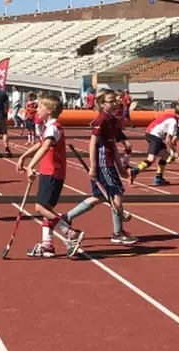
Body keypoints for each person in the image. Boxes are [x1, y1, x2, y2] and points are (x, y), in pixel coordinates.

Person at [58, 89, 137, 247]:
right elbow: (93, 143)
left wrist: (120, 167)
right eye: (111, 101)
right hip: (103, 164)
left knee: (100, 196)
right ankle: (117, 233)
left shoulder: (113, 120)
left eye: (116, 100)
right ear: (102, 104)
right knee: (117, 193)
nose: (115, 103)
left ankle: (66, 217)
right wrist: (93, 167)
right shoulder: (102, 119)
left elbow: (112, 145)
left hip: (109, 163)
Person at [16, 95, 83, 258]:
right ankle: (47, 245)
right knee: (47, 209)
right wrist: (23, 156)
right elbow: (40, 143)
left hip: (52, 172)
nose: (36, 110)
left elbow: (46, 146)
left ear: (50, 110)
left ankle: (70, 232)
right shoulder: (50, 127)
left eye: (39, 107)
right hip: (51, 172)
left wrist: (30, 166)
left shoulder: (53, 127)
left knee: (40, 208)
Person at [129, 103, 179, 186]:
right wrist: (175, 152)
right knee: (151, 159)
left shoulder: (170, 116)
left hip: (151, 133)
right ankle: (134, 171)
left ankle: (158, 178)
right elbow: (168, 140)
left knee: (165, 155)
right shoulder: (173, 122)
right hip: (154, 135)